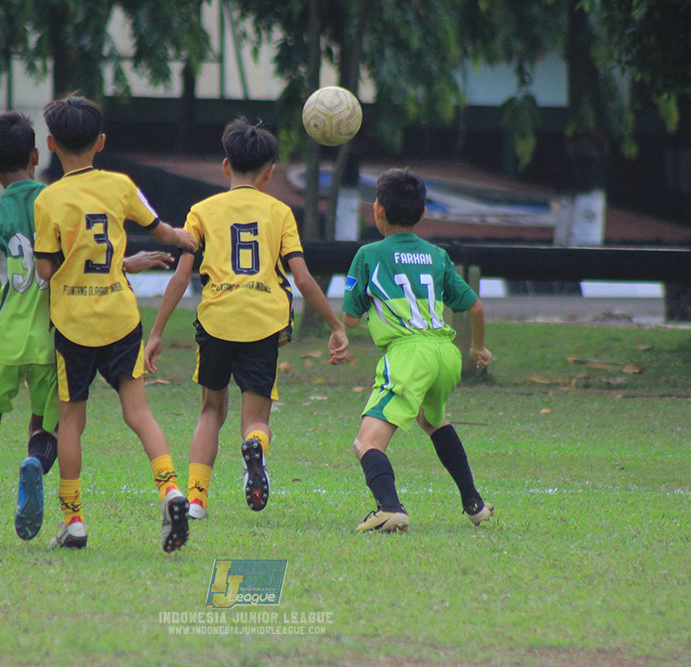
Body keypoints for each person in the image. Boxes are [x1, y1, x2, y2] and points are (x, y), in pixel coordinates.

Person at [0, 111, 174, 547]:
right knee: (49, 426)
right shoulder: (58, 197)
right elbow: (79, 259)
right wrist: (128, 264)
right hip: (54, 334)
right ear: (37, 154)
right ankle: (36, 461)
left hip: (4, 337)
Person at [145, 117, 349, 520]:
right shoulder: (281, 212)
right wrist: (336, 326)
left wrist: (155, 333)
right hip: (264, 322)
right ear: (270, 172)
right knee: (255, 419)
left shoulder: (201, 211)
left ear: (225, 166)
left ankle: (197, 501)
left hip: (217, 318)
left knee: (210, 411)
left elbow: (181, 277)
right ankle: (255, 445)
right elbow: (303, 279)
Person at [33, 94, 198, 552]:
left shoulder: (48, 200)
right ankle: (170, 488)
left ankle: (74, 520)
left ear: (50, 143)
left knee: (72, 420)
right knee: (138, 411)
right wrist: (183, 238)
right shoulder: (120, 185)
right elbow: (162, 231)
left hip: (74, 326)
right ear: (101, 142)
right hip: (121, 318)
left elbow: (46, 271)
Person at [342, 168, 494, 533]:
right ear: (423, 213)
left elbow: (349, 318)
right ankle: (474, 504)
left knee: (366, 442)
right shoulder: (437, 256)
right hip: (445, 353)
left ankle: (389, 507)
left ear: (377, 209)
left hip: (408, 354)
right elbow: (474, 307)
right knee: (433, 421)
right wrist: (478, 347)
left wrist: (345, 330)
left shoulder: (368, 255)